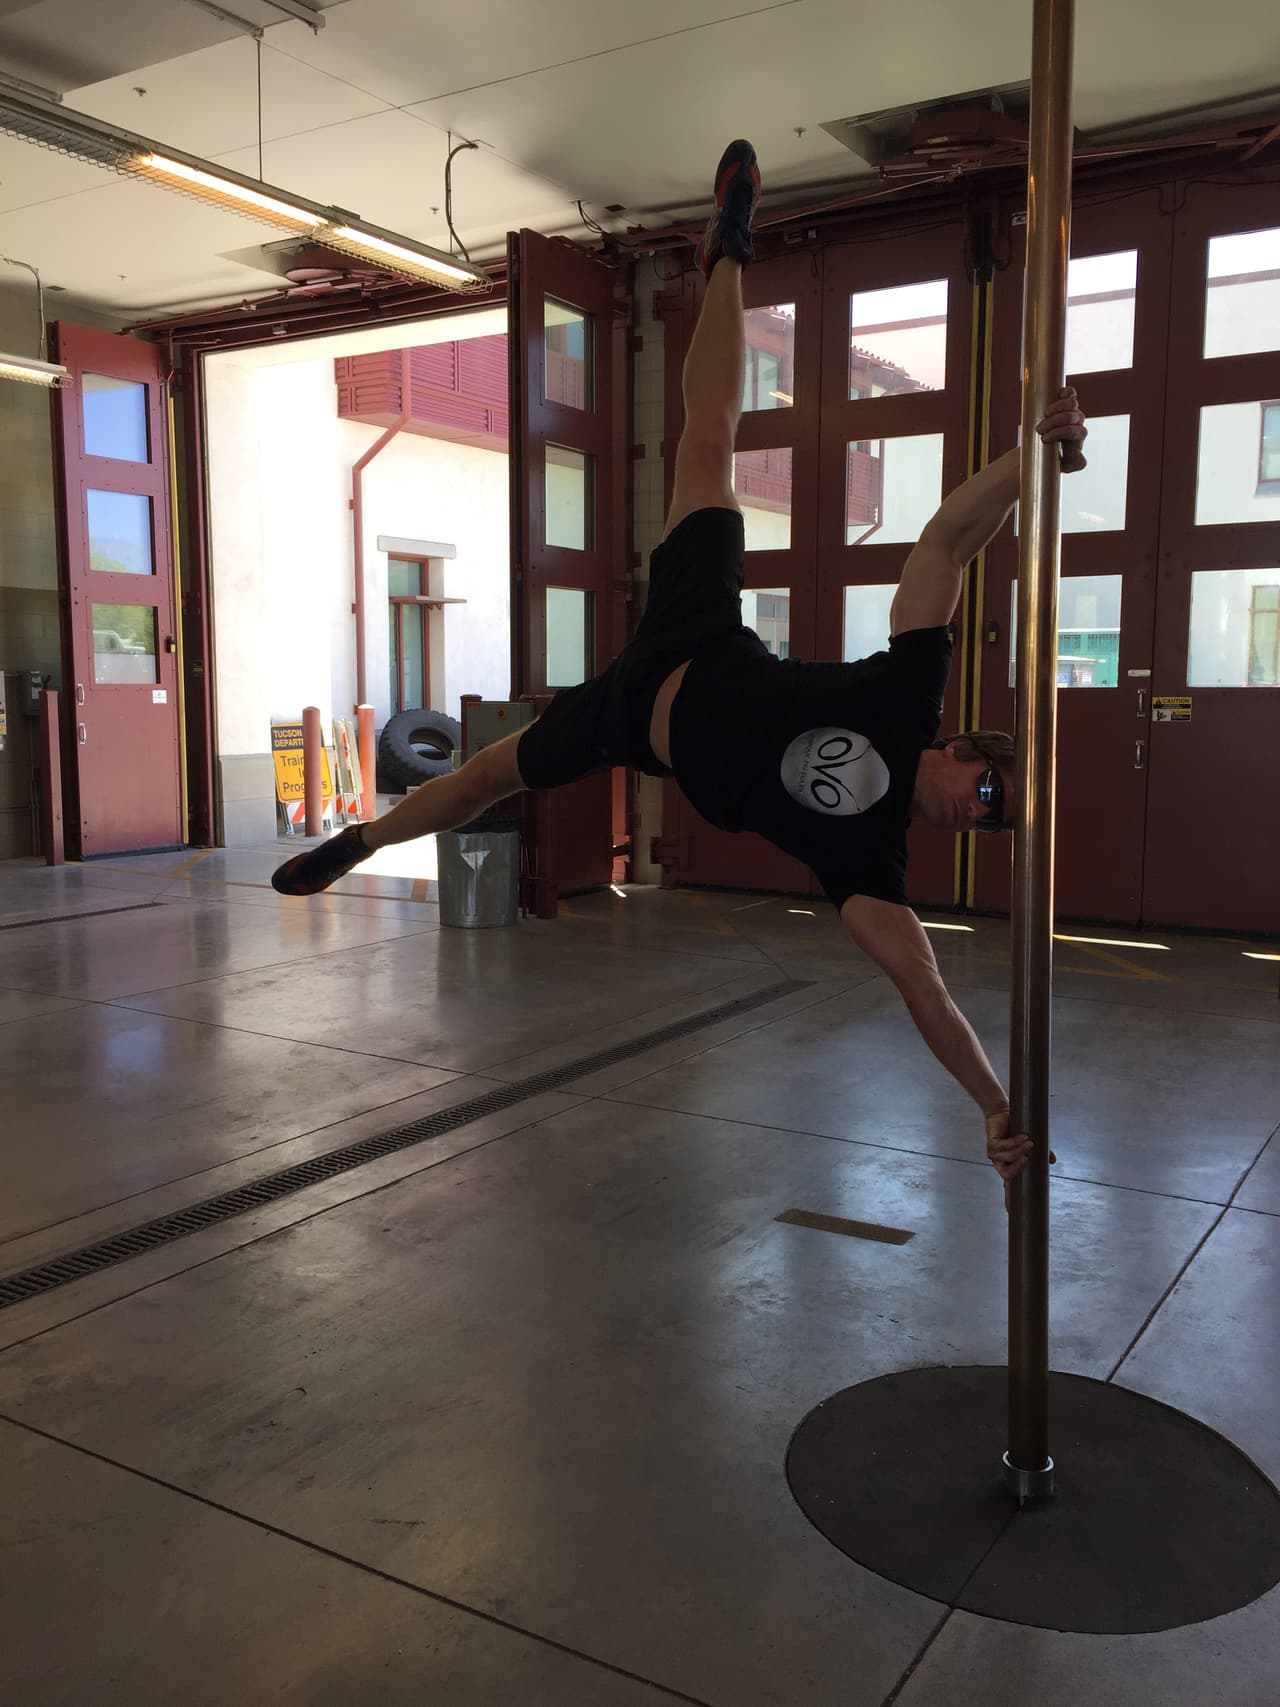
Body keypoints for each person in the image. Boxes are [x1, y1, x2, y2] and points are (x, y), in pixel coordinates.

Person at [272, 140, 1086, 1194]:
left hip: (627, 719)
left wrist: (994, 1105)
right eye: (987, 790)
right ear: (961, 747)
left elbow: (924, 990)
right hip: (698, 634)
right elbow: (946, 543)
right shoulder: (906, 696)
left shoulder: (869, 861)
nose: (976, 814)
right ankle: (729, 252)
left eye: (992, 822)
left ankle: (360, 840)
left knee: (485, 780)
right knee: (707, 439)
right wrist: (1029, 459)